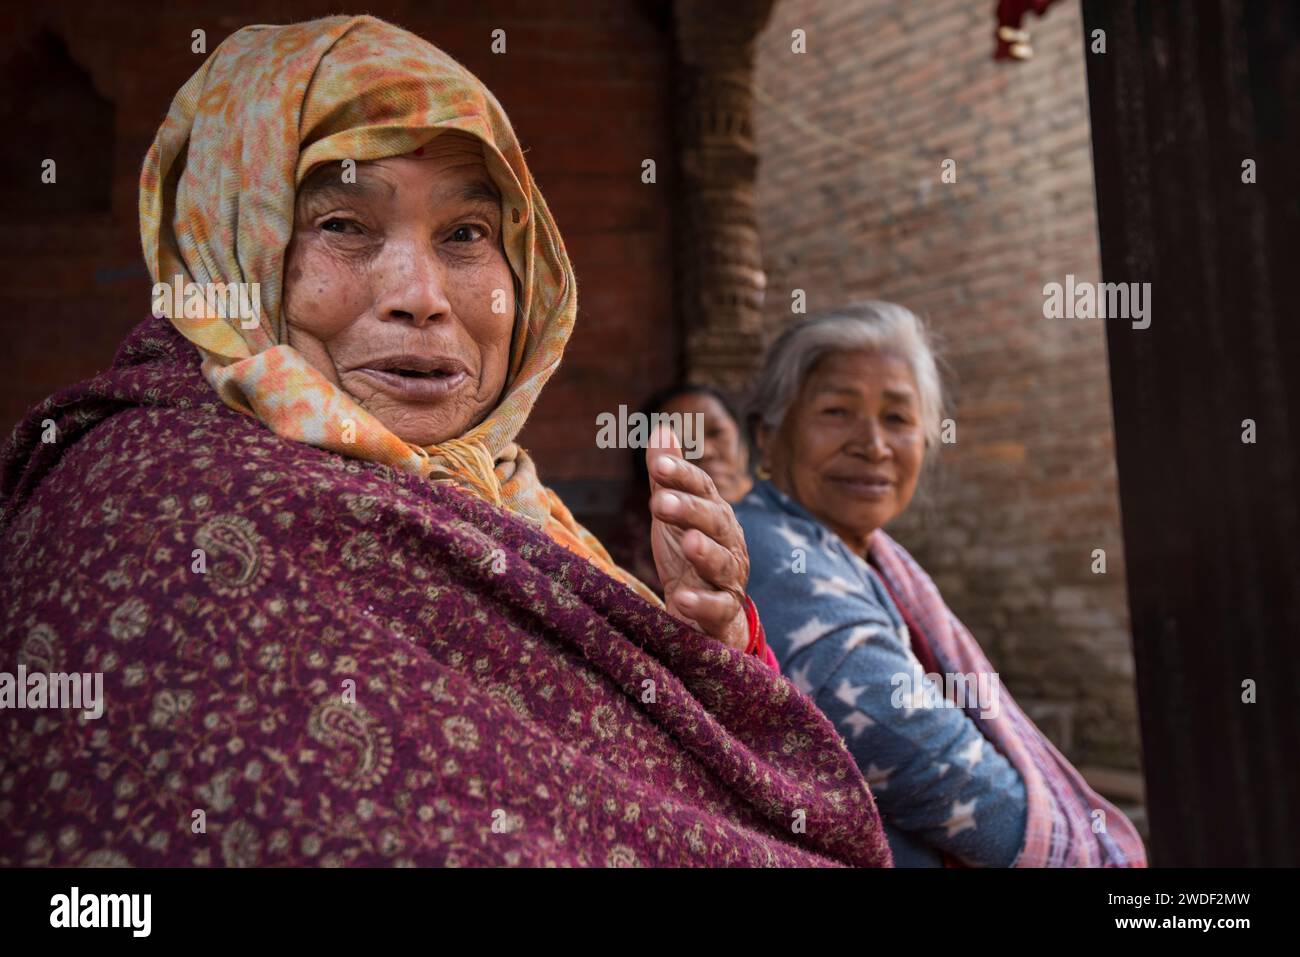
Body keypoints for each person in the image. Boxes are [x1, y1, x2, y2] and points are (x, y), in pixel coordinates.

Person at [0, 16, 891, 868]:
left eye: (466, 233)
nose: (421, 294)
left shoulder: (511, 497)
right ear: (229, 244)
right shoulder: (152, 504)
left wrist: (714, 644)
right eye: (344, 226)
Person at [736, 302, 1146, 867]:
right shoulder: (772, 554)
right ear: (768, 435)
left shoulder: (868, 557)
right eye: (836, 411)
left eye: (898, 419)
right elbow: (939, 769)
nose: (873, 444)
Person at [611, 384, 753, 593]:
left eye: (716, 432)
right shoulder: (633, 551)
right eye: (682, 439)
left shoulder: (785, 520)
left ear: (744, 445)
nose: (704, 451)